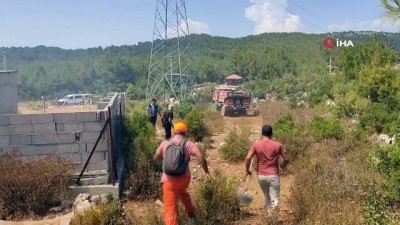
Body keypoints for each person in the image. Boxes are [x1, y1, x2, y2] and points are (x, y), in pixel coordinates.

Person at [154, 122, 211, 225]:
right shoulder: (189, 144)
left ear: (174, 131)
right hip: (184, 179)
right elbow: (200, 156)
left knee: (170, 207)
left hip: (169, 181)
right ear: (185, 132)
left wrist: (166, 159)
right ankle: (191, 213)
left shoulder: (165, 143)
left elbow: (156, 157)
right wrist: (206, 172)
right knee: (182, 191)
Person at [244, 125, 289, 214]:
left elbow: (248, 158)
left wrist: (247, 170)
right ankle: (271, 217)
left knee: (266, 195)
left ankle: (269, 215)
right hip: (273, 175)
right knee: (275, 198)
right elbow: (286, 159)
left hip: (261, 175)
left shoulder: (256, 145)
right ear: (271, 134)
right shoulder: (278, 145)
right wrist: (283, 165)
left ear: (262, 133)